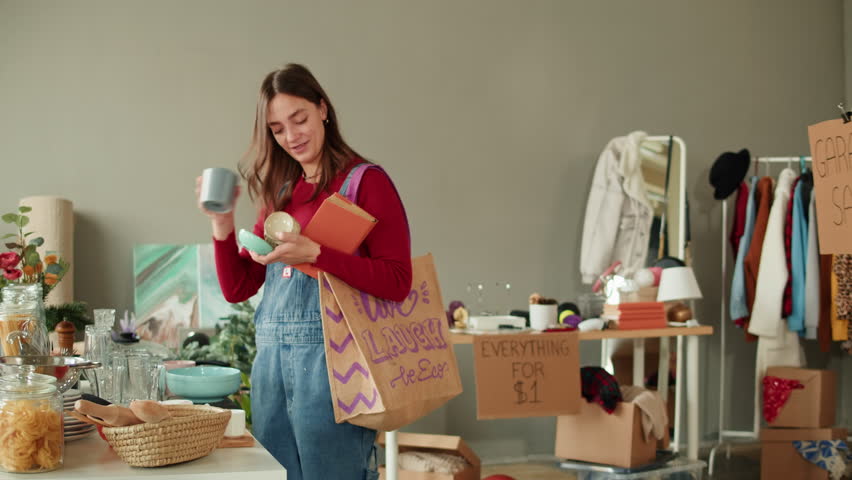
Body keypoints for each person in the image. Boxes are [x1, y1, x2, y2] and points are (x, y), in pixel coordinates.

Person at [196, 63, 412, 480]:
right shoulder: (281, 190)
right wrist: (221, 225)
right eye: (278, 129)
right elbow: (240, 287)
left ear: (323, 109)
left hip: (335, 372)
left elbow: (398, 282)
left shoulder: (365, 182)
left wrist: (318, 254)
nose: (292, 136)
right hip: (271, 370)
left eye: (300, 119)